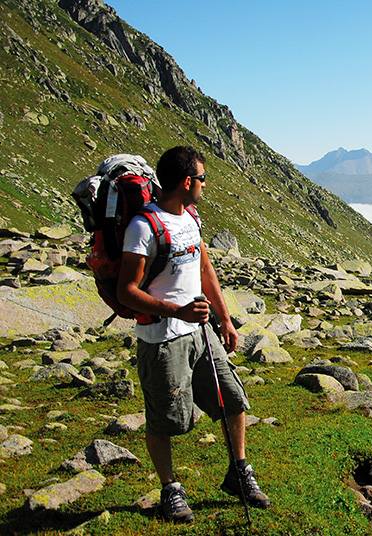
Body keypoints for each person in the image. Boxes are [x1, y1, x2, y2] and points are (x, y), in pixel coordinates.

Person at [117, 145, 269, 523]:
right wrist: (177, 311)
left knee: (233, 400)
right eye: (202, 178)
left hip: (202, 333)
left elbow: (205, 272)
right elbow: (126, 291)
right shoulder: (142, 227)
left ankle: (239, 472)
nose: (204, 184)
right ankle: (170, 488)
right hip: (161, 340)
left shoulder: (191, 217)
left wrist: (226, 319)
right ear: (187, 182)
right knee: (163, 419)